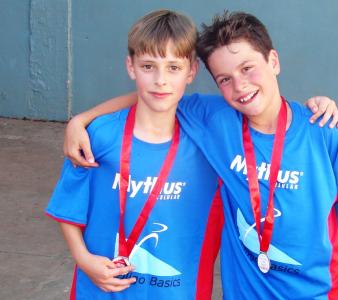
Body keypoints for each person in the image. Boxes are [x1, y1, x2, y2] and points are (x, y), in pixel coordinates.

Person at [62, 11, 338, 300]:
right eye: (224, 79)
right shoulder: (215, 120)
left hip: (323, 290)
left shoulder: (321, 129)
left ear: (274, 61)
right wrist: (81, 120)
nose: (240, 86)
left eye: (248, 68)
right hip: (248, 291)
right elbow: (159, 93)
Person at [46, 10, 223, 299]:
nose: (161, 80)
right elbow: (68, 207)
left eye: (173, 68)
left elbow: (262, 110)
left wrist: (319, 108)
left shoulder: (208, 137)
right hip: (100, 289)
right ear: (131, 67)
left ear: (191, 71)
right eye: (148, 66)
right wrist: (83, 259)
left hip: (180, 292)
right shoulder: (99, 136)